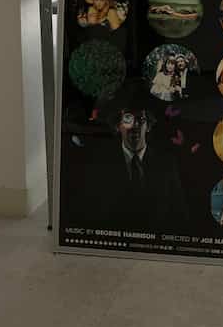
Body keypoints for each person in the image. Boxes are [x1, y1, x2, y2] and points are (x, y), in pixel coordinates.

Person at [70, 98, 186, 231]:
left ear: (148, 126)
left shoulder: (166, 163)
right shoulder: (100, 164)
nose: (134, 126)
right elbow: (89, 215)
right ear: (117, 126)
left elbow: (180, 216)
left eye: (140, 120)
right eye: (127, 120)